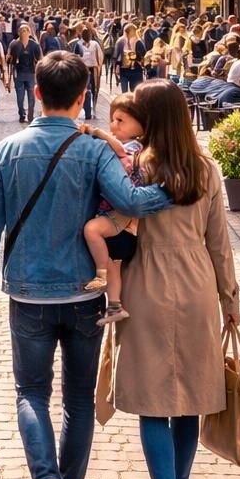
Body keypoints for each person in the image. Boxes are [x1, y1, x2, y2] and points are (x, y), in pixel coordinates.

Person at [0, 51, 172, 479]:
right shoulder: (94, 149)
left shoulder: (8, 149)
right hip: (85, 291)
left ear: (36, 92)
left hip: (29, 292)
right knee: (78, 401)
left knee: (31, 392)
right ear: (83, 96)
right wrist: (179, 186)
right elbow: (131, 202)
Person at [105, 82, 240, 479]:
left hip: (147, 282)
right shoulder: (206, 169)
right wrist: (231, 300)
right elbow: (220, 243)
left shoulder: (138, 167)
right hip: (198, 283)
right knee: (190, 403)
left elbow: (120, 226)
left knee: (152, 402)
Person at [80, 94, 146, 325]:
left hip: (117, 215)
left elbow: (117, 149)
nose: (114, 126)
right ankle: (115, 306)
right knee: (114, 265)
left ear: (141, 127)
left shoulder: (132, 147)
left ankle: (100, 275)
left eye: (121, 121)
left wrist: (97, 133)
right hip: (121, 219)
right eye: (113, 120)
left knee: (91, 230)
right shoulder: (137, 148)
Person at [8, 24, 43, 122]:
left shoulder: (34, 45)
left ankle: (30, 115)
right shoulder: (14, 44)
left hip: (31, 73)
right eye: (21, 30)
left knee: (31, 96)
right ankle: (21, 113)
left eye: (25, 30)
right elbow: (8, 58)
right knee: (20, 96)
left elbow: (40, 59)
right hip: (18, 73)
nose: (23, 32)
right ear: (19, 32)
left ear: (29, 32)